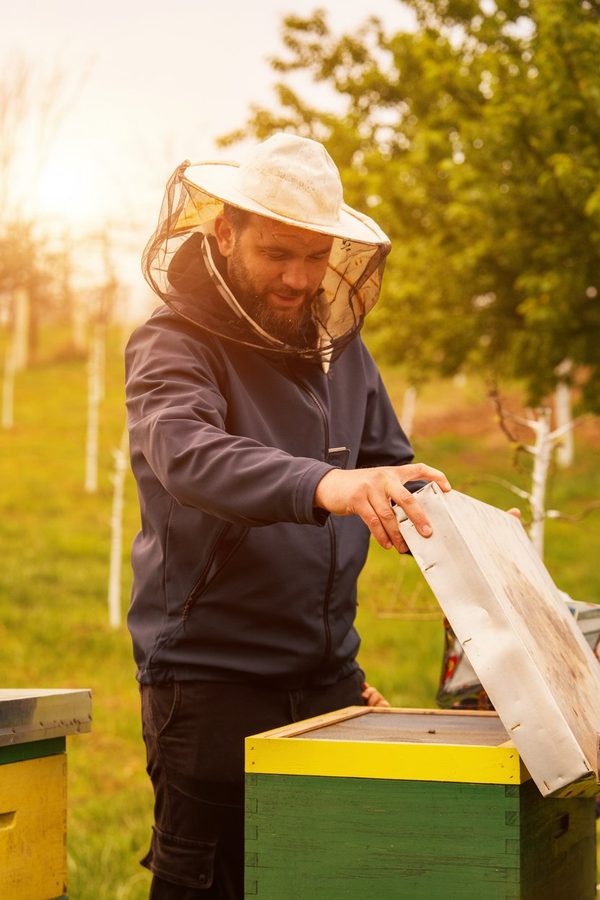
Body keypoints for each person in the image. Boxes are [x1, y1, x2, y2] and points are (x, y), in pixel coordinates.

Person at [125, 132, 451, 899]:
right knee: (211, 885)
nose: (300, 279)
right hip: (212, 682)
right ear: (224, 231)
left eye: (315, 257)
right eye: (277, 254)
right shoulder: (172, 343)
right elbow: (188, 455)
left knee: (321, 881)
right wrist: (327, 485)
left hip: (327, 678)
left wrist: (451, 521)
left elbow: (386, 464)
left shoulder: (341, 350)